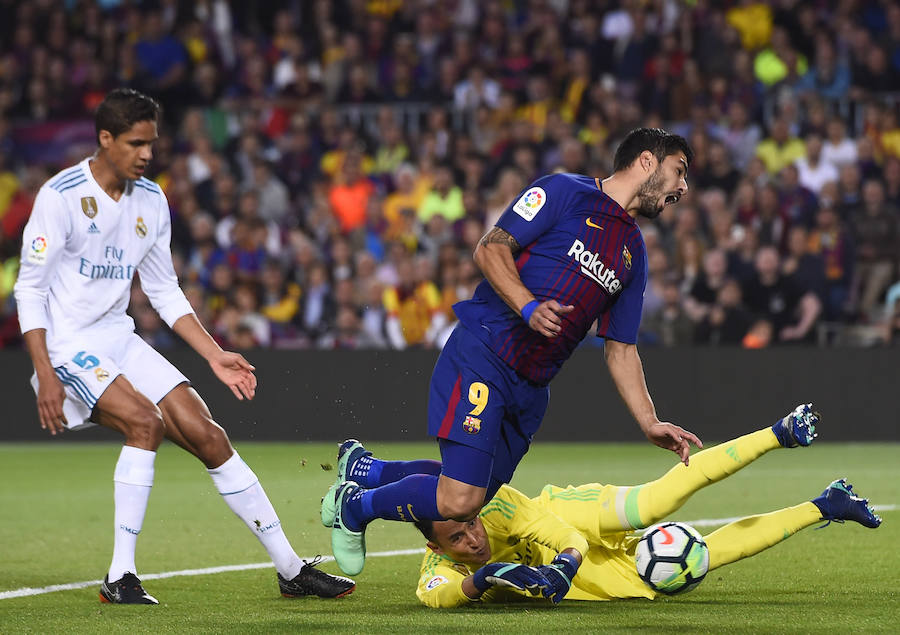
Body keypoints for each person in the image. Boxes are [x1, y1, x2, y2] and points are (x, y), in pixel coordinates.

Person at [13, 89, 354, 604]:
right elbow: (29, 289)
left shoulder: (151, 200)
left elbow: (163, 290)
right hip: (65, 345)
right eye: (135, 143)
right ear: (105, 140)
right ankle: (120, 576)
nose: (147, 154)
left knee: (208, 434)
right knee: (144, 424)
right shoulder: (60, 196)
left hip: (117, 337)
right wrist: (45, 373)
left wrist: (214, 353)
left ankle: (290, 569)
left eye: (152, 142)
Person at [321, 128, 702, 576]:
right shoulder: (563, 190)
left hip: (532, 387)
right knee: (459, 500)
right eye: (678, 171)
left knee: (473, 492)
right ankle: (356, 507)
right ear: (645, 162)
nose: (683, 187)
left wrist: (648, 420)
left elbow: (621, 348)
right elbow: (491, 249)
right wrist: (527, 307)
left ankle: (366, 469)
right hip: (487, 351)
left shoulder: (633, 251)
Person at [411, 404, 882, 607]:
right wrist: (483, 577)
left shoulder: (499, 507)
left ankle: (779, 432)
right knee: (699, 560)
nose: (473, 537)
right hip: (585, 583)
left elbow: (562, 536)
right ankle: (827, 505)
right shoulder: (437, 568)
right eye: (457, 538)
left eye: (469, 523)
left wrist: (564, 563)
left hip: (565, 522)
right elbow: (440, 596)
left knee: (653, 504)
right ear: (436, 545)